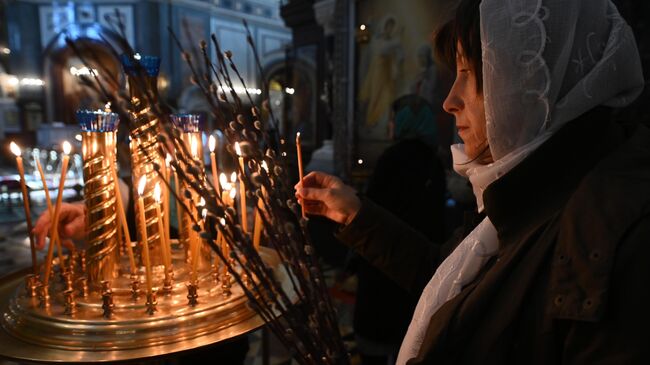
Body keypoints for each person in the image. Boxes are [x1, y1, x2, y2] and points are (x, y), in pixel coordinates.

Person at [295, 0, 650, 363]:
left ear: (533, 82)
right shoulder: (528, 189)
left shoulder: (617, 243)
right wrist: (355, 213)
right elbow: (448, 277)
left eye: (469, 72)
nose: (449, 101)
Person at [353, 95, 446, 364]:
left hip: (385, 264)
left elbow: (371, 214)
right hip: (419, 271)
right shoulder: (434, 162)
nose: (391, 125)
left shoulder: (392, 159)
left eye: (394, 119)